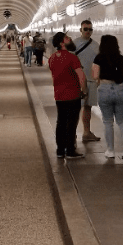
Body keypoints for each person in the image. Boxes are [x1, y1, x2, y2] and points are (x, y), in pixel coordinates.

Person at [92, 35, 123, 159]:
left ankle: (110, 150)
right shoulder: (121, 58)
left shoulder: (99, 58)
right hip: (120, 89)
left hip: (104, 89)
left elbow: (95, 76)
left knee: (108, 121)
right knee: (122, 120)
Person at [48, 31, 87, 159]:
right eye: (66, 38)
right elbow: (81, 76)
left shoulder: (52, 58)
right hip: (73, 95)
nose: (69, 38)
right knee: (71, 123)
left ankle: (60, 150)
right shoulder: (72, 57)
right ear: (61, 43)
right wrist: (85, 90)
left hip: (59, 95)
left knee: (61, 122)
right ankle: (70, 150)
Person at [73, 20, 101, 143]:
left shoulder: (96, 45)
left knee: (88, 108)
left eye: (90, 29)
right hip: (77, 81)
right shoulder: (74, 44)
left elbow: (99, 63)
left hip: (91, 80)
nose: (88, 31)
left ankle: (86, 132)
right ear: (81, 30)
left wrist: (98, 77)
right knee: (75, 108)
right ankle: (72, 133)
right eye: (86, 29)